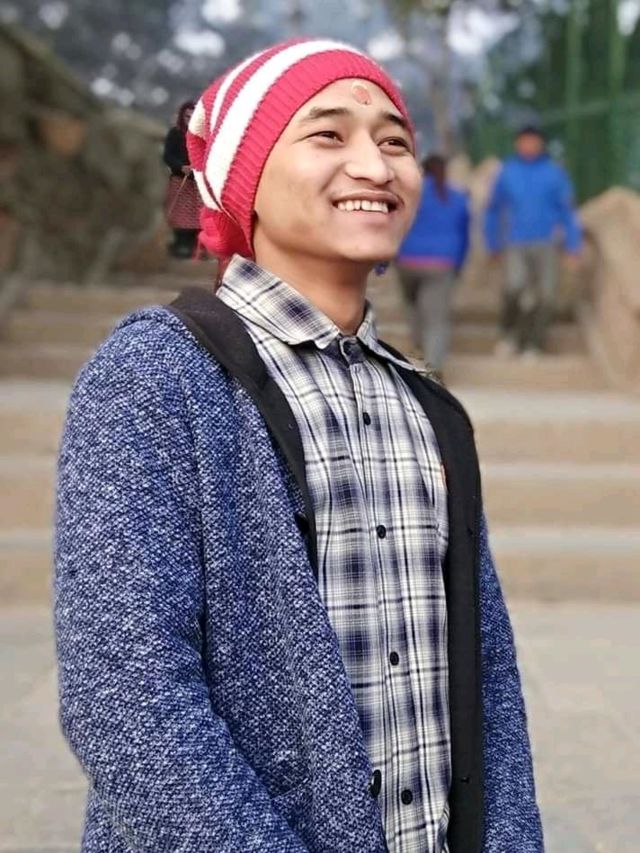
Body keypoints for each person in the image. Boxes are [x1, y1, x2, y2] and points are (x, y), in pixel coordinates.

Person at [55, 39, 543, 853]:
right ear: (244, 174)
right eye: (328, 134)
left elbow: (488, 678)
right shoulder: (156, 377)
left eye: (395, 141)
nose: (375, 166)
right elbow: (125, 696)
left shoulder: (429, 407)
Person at [484, 125, 582, 357]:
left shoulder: (554, 173)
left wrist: (573, 245)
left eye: (533, 141)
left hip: (547, 242)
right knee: (514, 287)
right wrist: (492, 242)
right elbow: (493, 210)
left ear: (541, 144)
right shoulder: (507, 172)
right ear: (517, 144)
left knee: (546, 295)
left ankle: (534, 343)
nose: (529, 145)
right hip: (515, 242)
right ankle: (509, 334)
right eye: (524, 141)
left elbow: (568, 211)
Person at [396, 154, 470, 372]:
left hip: (407, 260)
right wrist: (458, 264)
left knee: (412, 306)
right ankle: (433, 367)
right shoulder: (457, 198)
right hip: (441, 263)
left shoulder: (408, 195)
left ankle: (418, 346)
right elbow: (464, 236)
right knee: (437, 320)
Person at [162, 100, 202, 258]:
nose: (189, 120)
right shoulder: (175, 133)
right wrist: (180, 166)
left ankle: (192, 249)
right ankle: (178, 247)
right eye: (187, 117)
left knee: (198, 218)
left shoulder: (202, 135)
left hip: (198, 183)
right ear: (182, 117)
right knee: (178, 216)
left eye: (193, 117)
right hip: (180, 180)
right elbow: (168, 155)